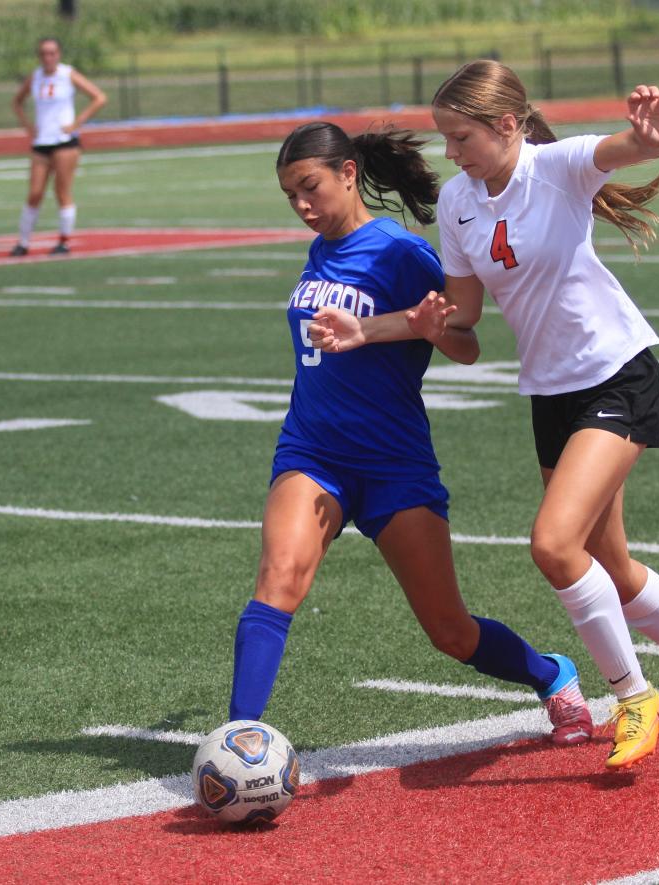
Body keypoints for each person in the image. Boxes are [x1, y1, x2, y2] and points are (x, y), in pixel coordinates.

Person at [308, 61, 659, 771]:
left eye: (461, 137)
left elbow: (628, 150)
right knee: (608, 561)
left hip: (618, 371)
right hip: (552, 392)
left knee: (552, 543)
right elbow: (464, 328)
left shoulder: (559, 165)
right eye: (445, 139)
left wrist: (653, 137)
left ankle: (633, 694)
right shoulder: (457, 202)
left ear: (507, 125)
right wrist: (381, 328)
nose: (450, 153)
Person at [229, 121, 595, 748]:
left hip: (395, 464)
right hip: (313, 451)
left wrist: (429, 328)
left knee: (450, 631)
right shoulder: (320, 250)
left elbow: (468, 345)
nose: (302, 206)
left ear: (349, 174)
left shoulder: (402, 254)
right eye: (290, 195)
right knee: (278, 579)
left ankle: (550, 673)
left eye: (310, 188)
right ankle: (239, 737)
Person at [10, 37, 107, 256]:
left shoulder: (67, 74)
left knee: (61, 192)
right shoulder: (35, 77)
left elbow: (99, 97)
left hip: (65, 142)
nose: (48, 57)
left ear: (59, 54)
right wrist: (28, 126)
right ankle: (23, 242)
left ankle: (64, 241)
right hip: (41, 142)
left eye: (52, 53)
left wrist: (77, 122)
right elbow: (17, 102)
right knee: (34, 193)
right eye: (44, 53)